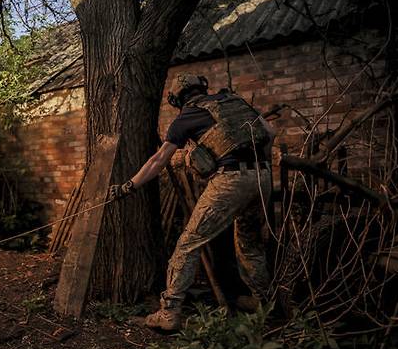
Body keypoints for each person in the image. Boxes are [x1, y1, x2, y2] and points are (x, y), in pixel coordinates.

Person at [109, 74, 275, 331]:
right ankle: (264, 303)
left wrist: (129, 185)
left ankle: (169, 312)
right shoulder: (233, 101)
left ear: (178, 99)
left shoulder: (185, 118)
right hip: (263, 176)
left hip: (231, 180)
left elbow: (157, 161)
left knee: (188, 244)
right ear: (202, 89)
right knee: (250, 242)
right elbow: (270, 132)